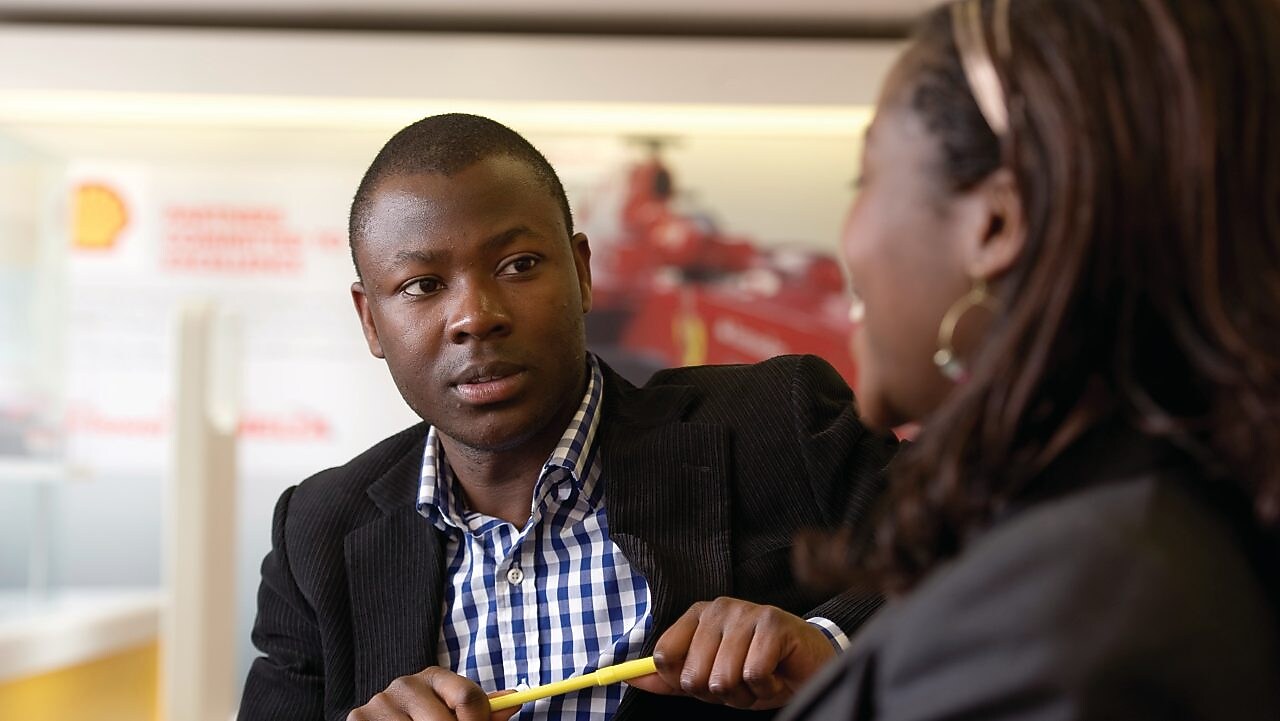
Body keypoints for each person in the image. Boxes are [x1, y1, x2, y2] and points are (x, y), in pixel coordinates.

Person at [238, 113, 899, 721]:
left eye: (518, 264)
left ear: (582, 273)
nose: (475, 315)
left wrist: (826, 644)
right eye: (423, 286)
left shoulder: (776, 424)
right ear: (370, 320)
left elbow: (976, 561)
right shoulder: (317, 536)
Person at [779, 0, 1280, 719]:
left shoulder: (1065, 613)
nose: (848, 239)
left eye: (865, 178)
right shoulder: (1134, 534)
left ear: (997, 223)